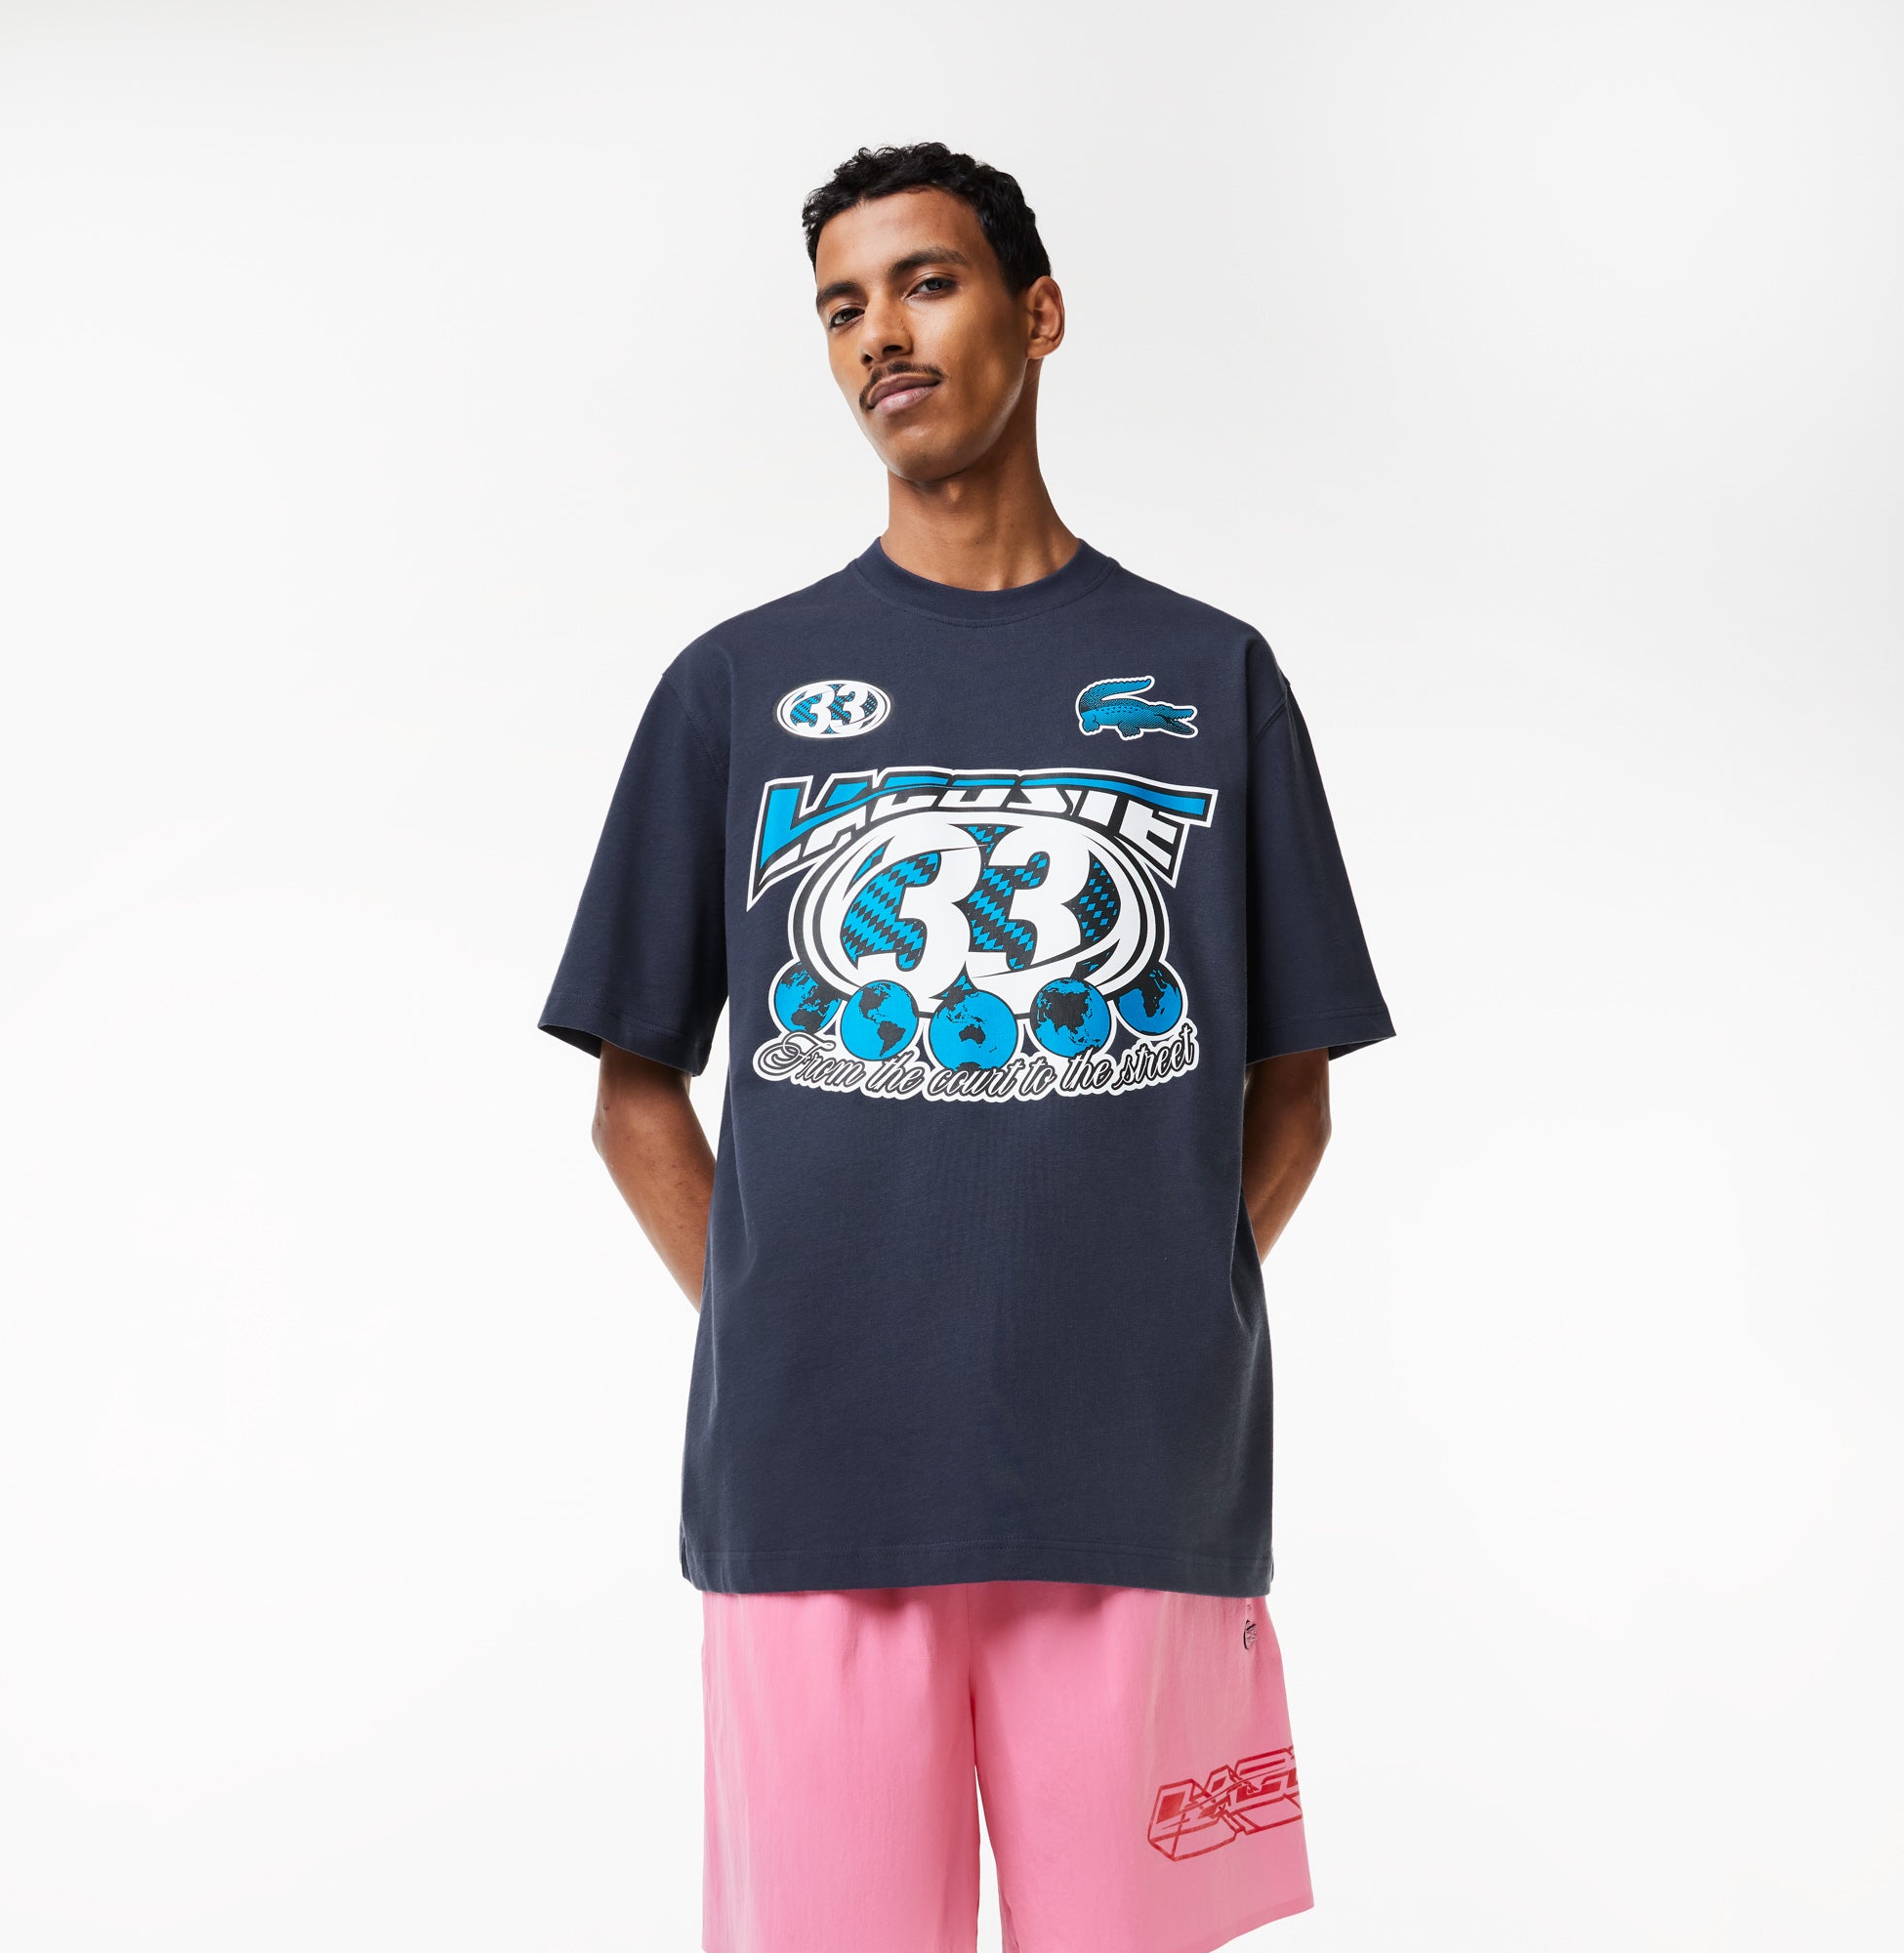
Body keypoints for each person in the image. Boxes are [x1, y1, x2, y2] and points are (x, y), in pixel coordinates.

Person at [539, 141, 1393, 1953]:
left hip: (1139, 1486)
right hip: (816, 1488)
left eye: (925, 283)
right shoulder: (734, 689)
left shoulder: (1212, 675)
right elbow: (633, 1095)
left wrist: (1157, 1299)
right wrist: (791, 1315)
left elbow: (1295, 1088)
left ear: (1040, 313)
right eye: (840, 307)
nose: (879, 336)